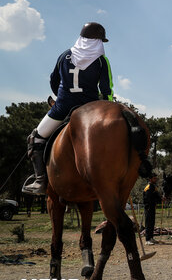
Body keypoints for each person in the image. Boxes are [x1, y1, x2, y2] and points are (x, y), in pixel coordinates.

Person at [23, 22, 114, 195]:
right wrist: (106, 107)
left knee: (35, 139)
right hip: (90, 110)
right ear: (96, 41)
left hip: (62, 108)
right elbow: (106, 89)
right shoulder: (102, 61)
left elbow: (53, 80)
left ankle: (40, 180)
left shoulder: (64, 55)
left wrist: (61, 98)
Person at [143, 175, 161, 245]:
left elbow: (156, 196)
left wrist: (160, 199)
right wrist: (153, 203)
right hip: (148, 208)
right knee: (148, 223)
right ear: (150, 179)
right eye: (154, 178)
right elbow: (148, 198)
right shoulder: (148, 187)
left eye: (156, 178)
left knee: (152, 223)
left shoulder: (153, 186)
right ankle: (147, 239)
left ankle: (151, 237)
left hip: (152, 207)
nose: (155, 179)